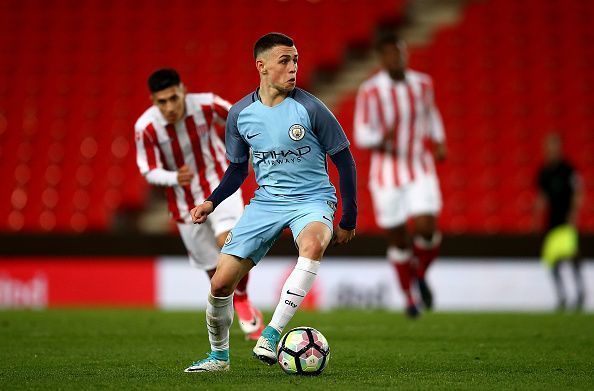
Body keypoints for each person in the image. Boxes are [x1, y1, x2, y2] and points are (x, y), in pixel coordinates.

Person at [184, 32, 357, 373]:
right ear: (261, 67)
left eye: (295, 60)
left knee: (311, 245)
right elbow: (237, 170)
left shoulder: (310, 108)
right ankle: (219, 358)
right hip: (265, 203)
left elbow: (345, 160)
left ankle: (272, 333)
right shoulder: (240, 114)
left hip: (312, 199)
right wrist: (211, 202)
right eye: (284, 61)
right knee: (220, 285)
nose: (293, 68)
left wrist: (348, 219)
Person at [134, 68, 264, 340]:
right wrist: (173, 177)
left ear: (182, 89)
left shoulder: (205, 104)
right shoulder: (146, 127)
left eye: (173, 98)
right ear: (153, 101)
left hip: (219, 186)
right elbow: (147, 168)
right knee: (212, 269)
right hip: (183, 203)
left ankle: (241, 298)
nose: (169, 107)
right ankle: (235, 300)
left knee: (228, 241)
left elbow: (241, 116)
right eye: (162, 102)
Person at [354, 31, 446, 317]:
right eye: (390, 54)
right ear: (382, 58)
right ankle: (409, 297)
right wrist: (382, 138)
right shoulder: (370, 91)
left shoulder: (422, 84)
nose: (396, 58)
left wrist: (439, 139)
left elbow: (431, 114)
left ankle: (417, 276)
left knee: (427, 228)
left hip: (419, 166)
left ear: (405, 54)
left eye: (399, 52)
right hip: (386, 175)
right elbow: (361, 134)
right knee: (398, 240)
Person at [534, 132, 585, 311]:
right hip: (552, 222)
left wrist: (574, 214)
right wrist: (536, 213)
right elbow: (542, 196)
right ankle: (562, 296)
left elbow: (578, 192)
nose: (551, 150)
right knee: (553, 261)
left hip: (566, 220)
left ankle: (580, 293)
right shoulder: (544, 172)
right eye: (548, 146)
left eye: (554, 146)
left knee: (572, 256)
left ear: (560, 148)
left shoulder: (568, 169)